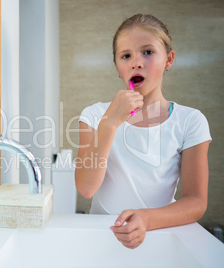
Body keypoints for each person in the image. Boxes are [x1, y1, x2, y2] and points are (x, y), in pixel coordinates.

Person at [75, 14, 211, 249]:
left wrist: (146, 219)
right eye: (125, 56)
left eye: (147, 52)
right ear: (117, 66)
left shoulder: (190, 121)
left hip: (160, 235)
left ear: (169, 59)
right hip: (100, 237)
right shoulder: (94, 115)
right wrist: (109, 123)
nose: (136, 62)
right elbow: (86, 188)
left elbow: (196, 202)